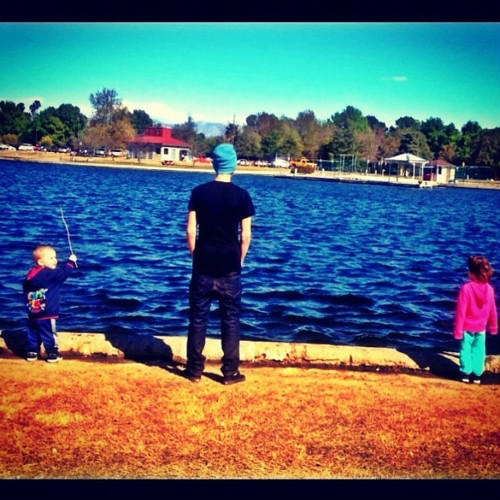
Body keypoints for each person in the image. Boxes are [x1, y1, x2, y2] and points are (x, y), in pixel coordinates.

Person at [184, 143, 255, 385]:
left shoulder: (199, 193)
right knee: (231, 320)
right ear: (233, 165)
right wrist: (240, 259)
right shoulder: (242, 196)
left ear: (214, 164)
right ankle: (229, 372)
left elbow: (190, 231)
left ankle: (194, 370)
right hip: (230, 267)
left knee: (198, 319)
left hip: (203, 265)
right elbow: (246, 235)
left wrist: (195, 255)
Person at [23, 245, 78, 362]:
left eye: (55, 257)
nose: (55, 260)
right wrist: (71, 262)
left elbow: (26, 288)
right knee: (49, 333)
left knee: (33, 332)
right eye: (51, 258)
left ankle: (32, 352)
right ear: (40, 262)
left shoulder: (30, 274)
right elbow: (63, 274)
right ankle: (52, 353)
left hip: (33, 311)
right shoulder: (49, 273)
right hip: (47, 312)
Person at [453, 255, 498, 384]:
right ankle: (477, 375)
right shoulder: (490, 290)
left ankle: (465, 373)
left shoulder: (466, 289)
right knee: (479, 351)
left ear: (472, 273)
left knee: (465, 350)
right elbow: (493, 310)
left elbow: (461, 312)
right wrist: (493, 327)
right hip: (481, 328)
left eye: (468, 269)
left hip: (467, 327)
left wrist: (458, 330)